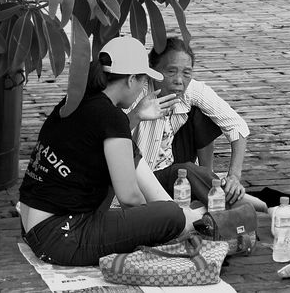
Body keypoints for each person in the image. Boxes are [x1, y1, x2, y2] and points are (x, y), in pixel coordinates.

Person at [18, 36, 199, 266]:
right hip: (62, 237)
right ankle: (185, 219)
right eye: (143, 82)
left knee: (160, 204)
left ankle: (184, 217)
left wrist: (134, 117)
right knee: (170, 216)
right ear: (132, 79)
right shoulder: (111, 117)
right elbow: (129, 199)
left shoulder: (78, 100)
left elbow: (104, 144)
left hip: (34, 226)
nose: (143, 89)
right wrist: (151, 221)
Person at [130, 37, 266, 211]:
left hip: (171, 169)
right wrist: (137, 115)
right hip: (143, 176)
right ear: (153, 71)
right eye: (171, 71)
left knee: (203, 115)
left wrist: (234, 176)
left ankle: (209, 181)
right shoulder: (137, 92)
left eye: (186, 73)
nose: (179, 80)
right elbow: (112, 135)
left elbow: (237, 126)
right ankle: (253, 206)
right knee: (188, 171)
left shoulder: (191, 89)